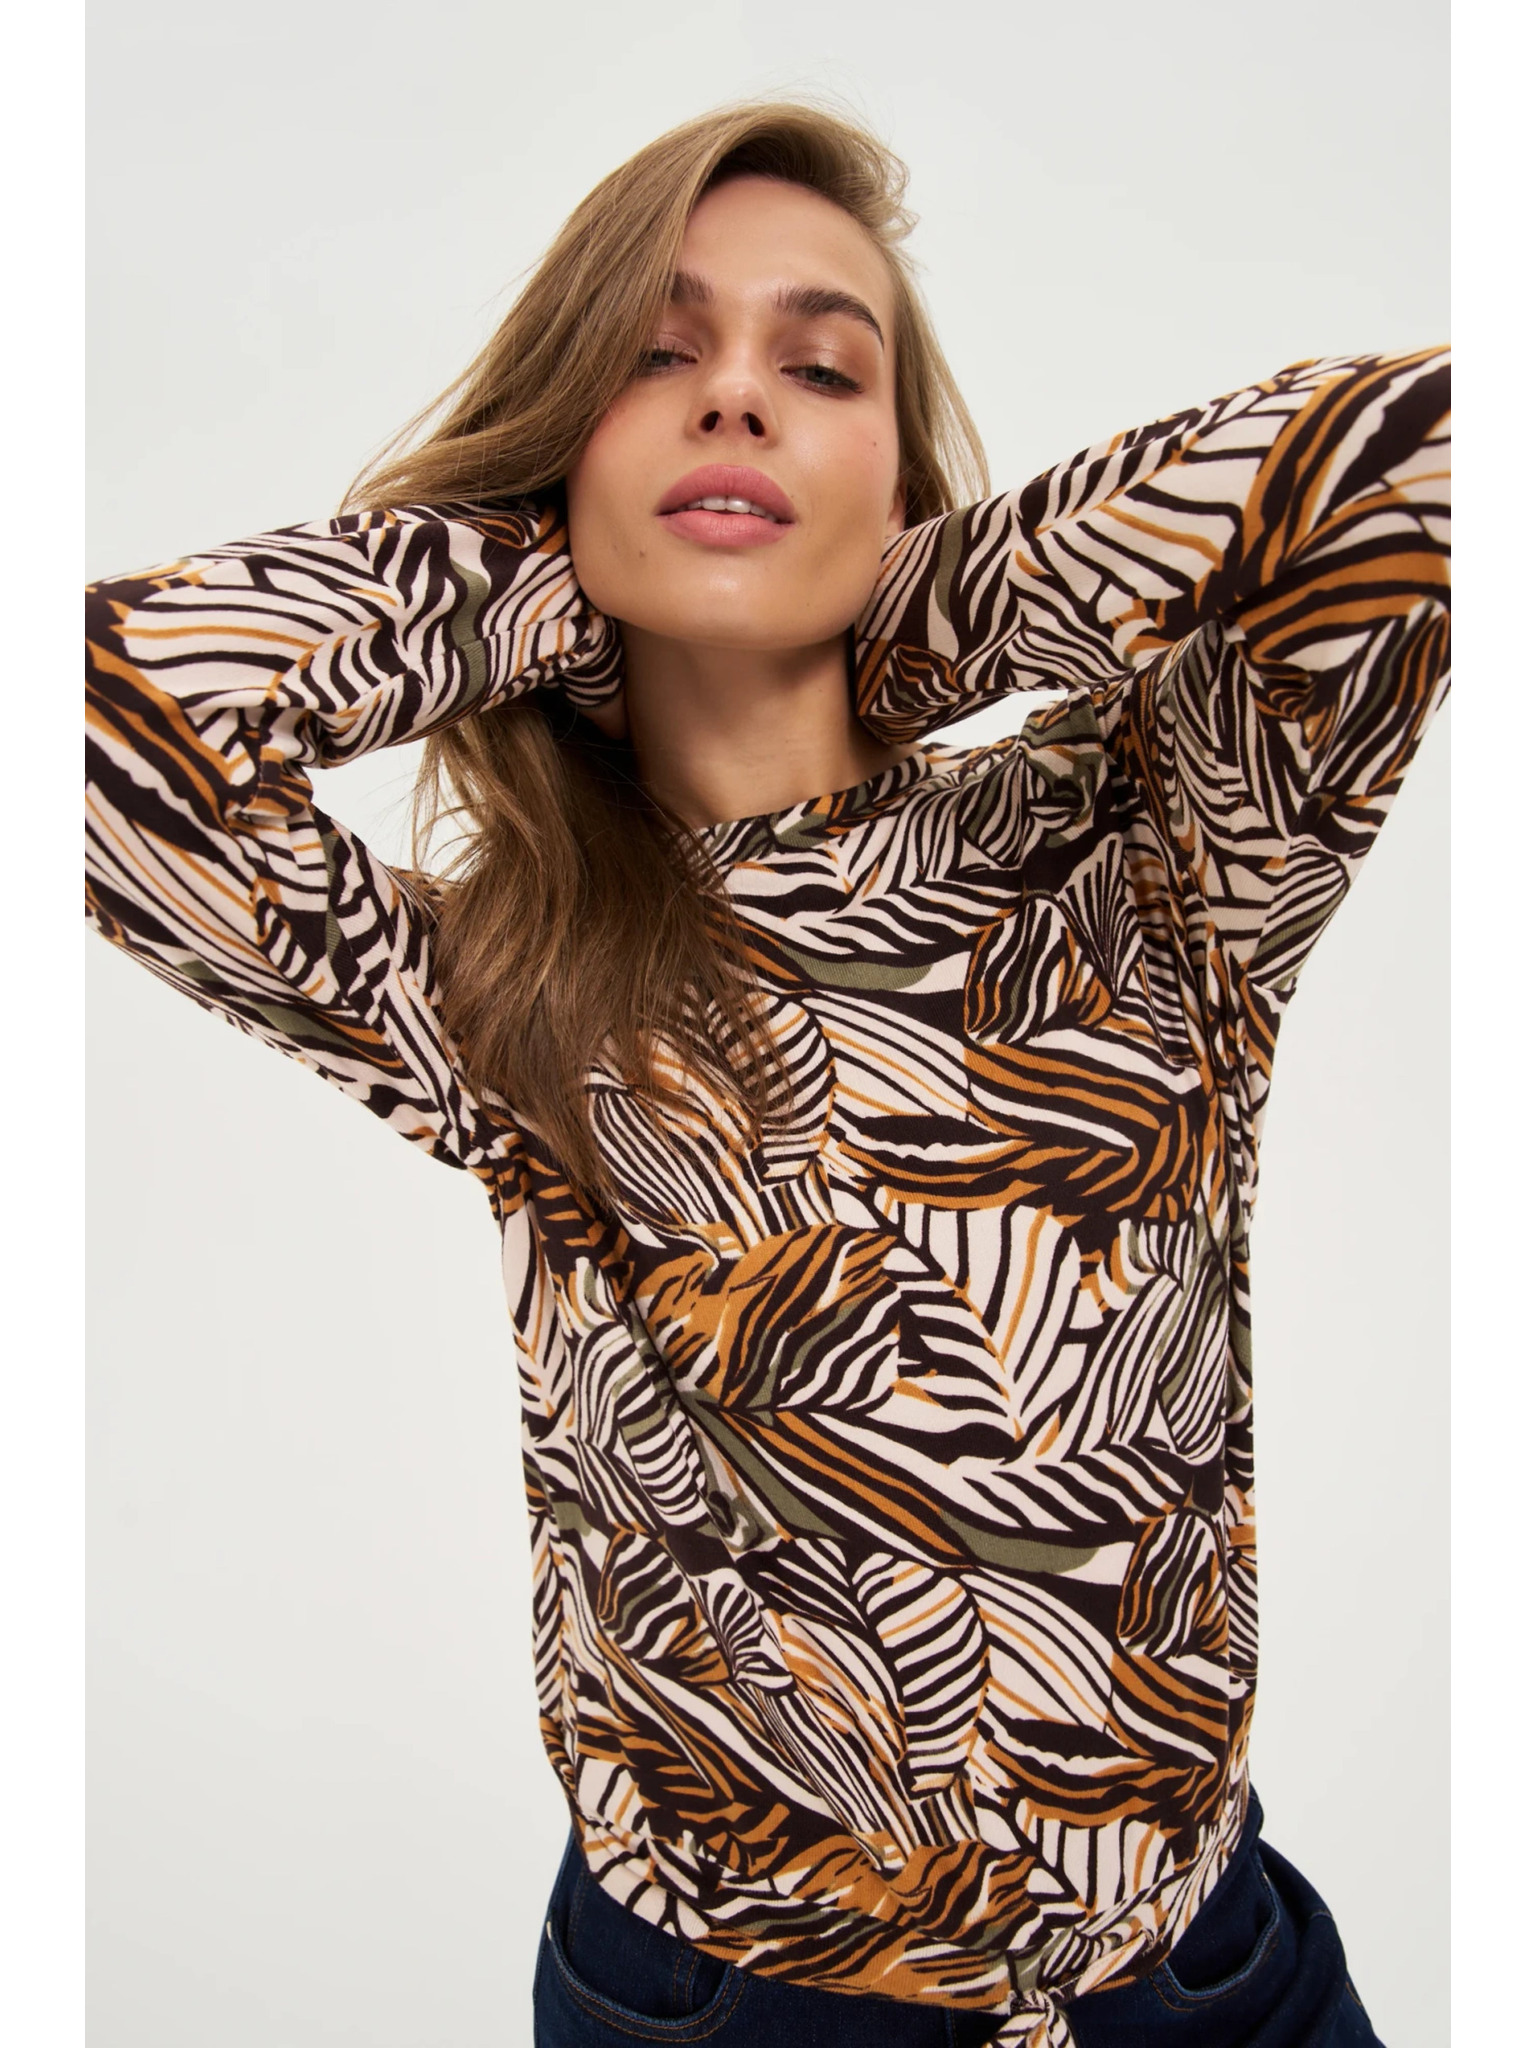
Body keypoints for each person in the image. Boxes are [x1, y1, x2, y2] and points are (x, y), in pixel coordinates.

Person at [84, 99, 1449, 2048]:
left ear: (902, 473)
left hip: (1196, 1973)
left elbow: (1423, 455)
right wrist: (559, 588)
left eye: (821, 368)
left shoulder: (1158, 849)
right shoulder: (506, 978)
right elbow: (107, 717)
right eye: (655, 356)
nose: (735, 398)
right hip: (730, 2001)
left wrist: (911, 613)